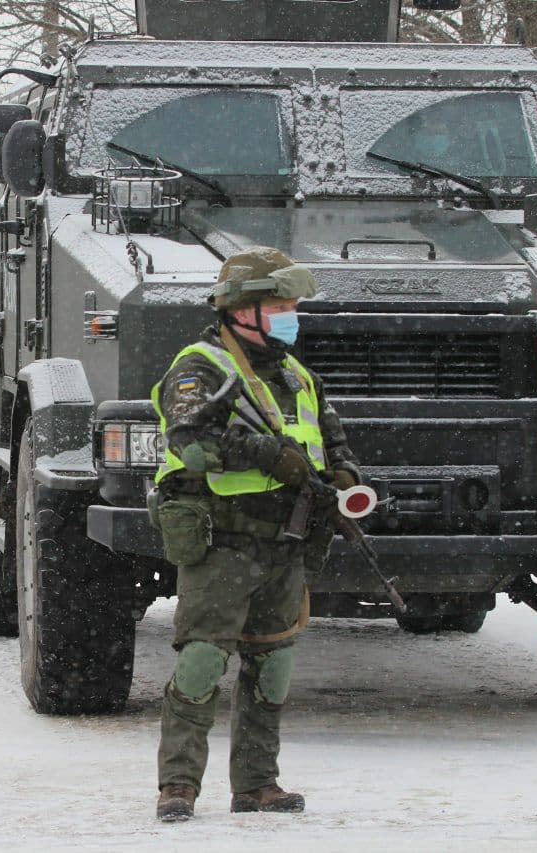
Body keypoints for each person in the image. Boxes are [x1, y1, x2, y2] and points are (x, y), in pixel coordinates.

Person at [150, 246, 361, 821]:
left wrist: (342, 475)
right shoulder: (201, 368)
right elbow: (191, 443)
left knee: (273, 667)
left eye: (292, 305)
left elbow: (333, 444)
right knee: (201, 662)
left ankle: (257, 784)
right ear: (241, 310)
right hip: (223, 540)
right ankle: (178, 787)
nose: (291, 315)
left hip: (285, 542)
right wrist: (270, 456)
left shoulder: (297, 375)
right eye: (280, 305)